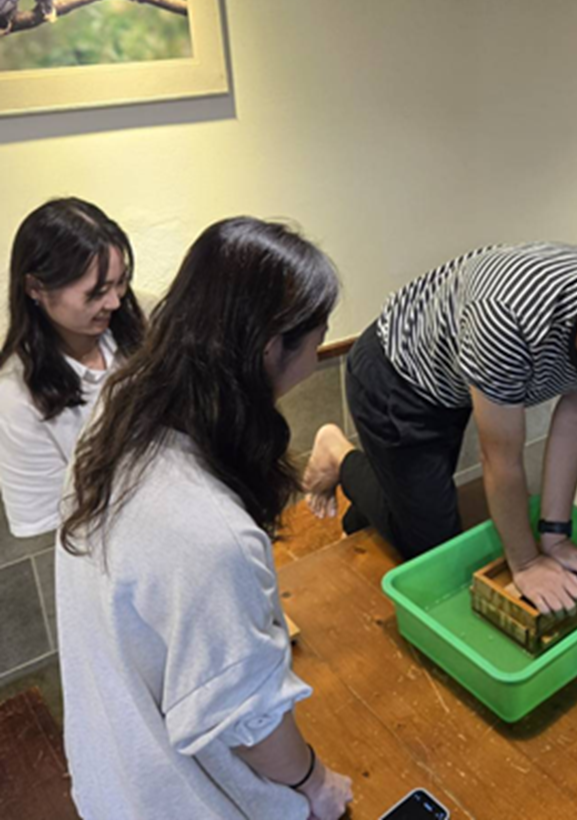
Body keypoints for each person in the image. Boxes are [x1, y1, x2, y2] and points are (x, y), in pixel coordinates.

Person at [57, 217, 353, 820]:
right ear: (272, 347)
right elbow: (251, 720)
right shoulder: (207, 533)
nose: (323, 343)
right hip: (174, 796)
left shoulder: (122, 404)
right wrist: (315, 783)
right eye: (319, 331)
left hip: (108, 761)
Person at [303, 241, 577, 615]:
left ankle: (371, 506)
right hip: (399, 377)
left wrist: (556, 538)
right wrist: (526, 564)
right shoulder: (507, 322)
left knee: (413, 495)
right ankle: (339, 454)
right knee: (429, 545)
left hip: (460, 372)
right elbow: (502, 459)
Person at [0, 197, 145, 538]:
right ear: (35, 288)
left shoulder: (139, 320)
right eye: (95, 293)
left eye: (120, 282)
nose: (114, 302)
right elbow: (55, 524)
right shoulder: (15, 397)